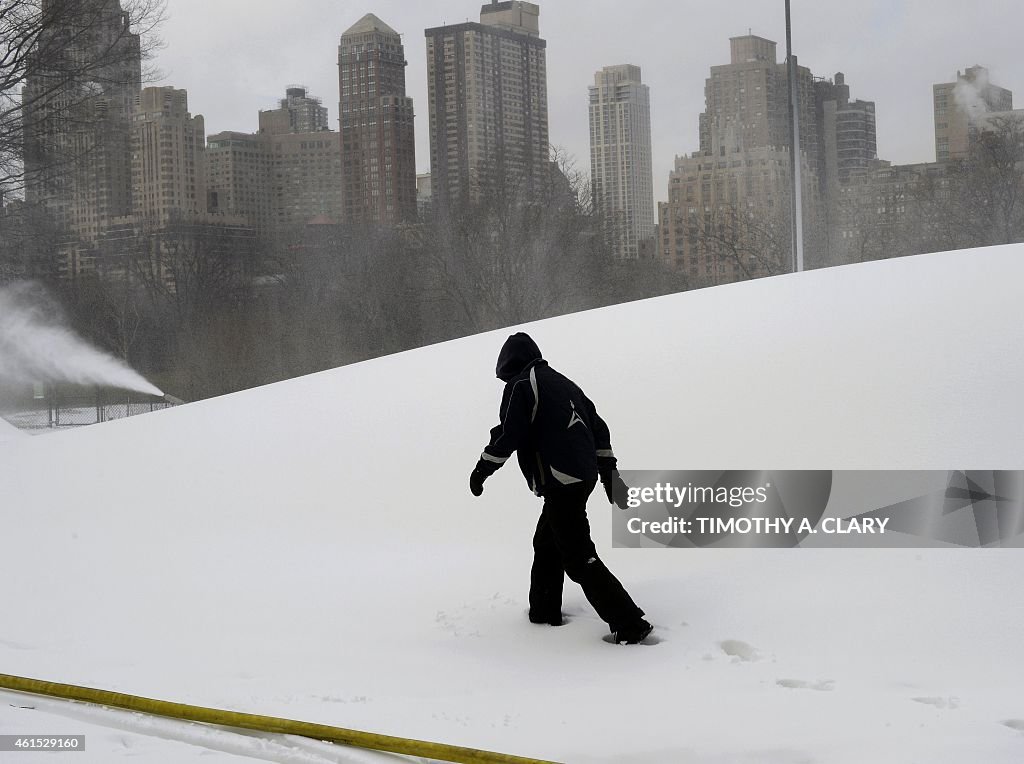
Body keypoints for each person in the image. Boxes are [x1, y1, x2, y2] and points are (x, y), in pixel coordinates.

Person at [469, 332, 653, 645]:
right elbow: (599, 430)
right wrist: (610, 477)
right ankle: (542, 611)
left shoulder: (522, 384)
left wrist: (481, 470)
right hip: (581, 479)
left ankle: (629, 622)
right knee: (547, 542)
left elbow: (508, 434)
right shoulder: (566, 384)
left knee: (578, 557)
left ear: (509, 366)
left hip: (560, 479)